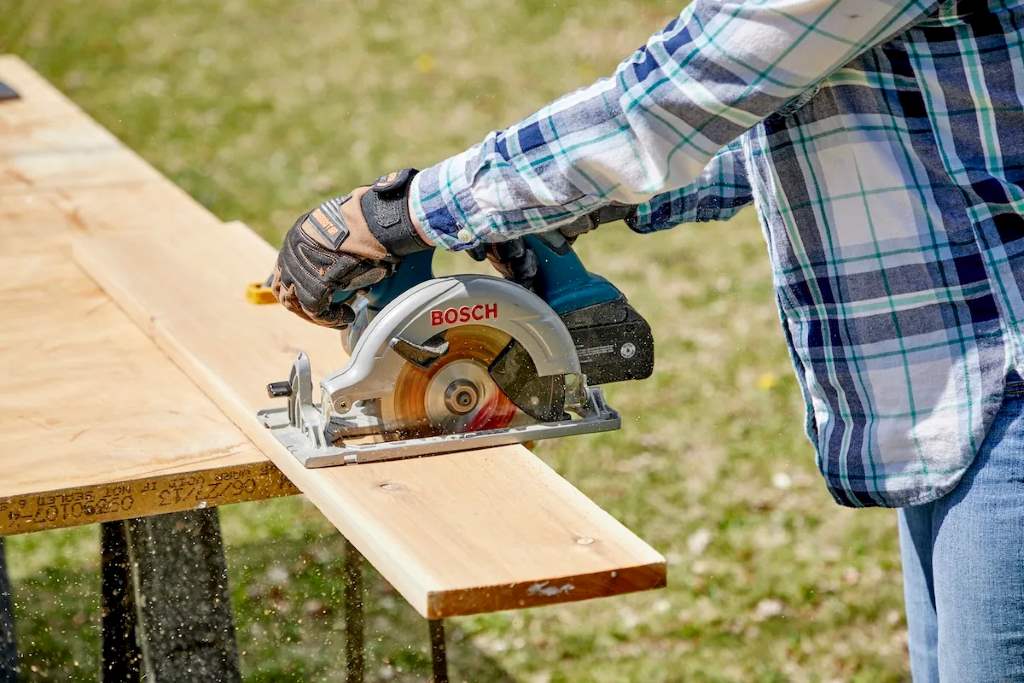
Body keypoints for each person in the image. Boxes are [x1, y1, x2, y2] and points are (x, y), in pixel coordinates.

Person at [272, 1, 1024, 679]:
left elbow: (674, 97)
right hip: (959, 388)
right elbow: (797, 106)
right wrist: (578, 199)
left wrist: (402, 213)